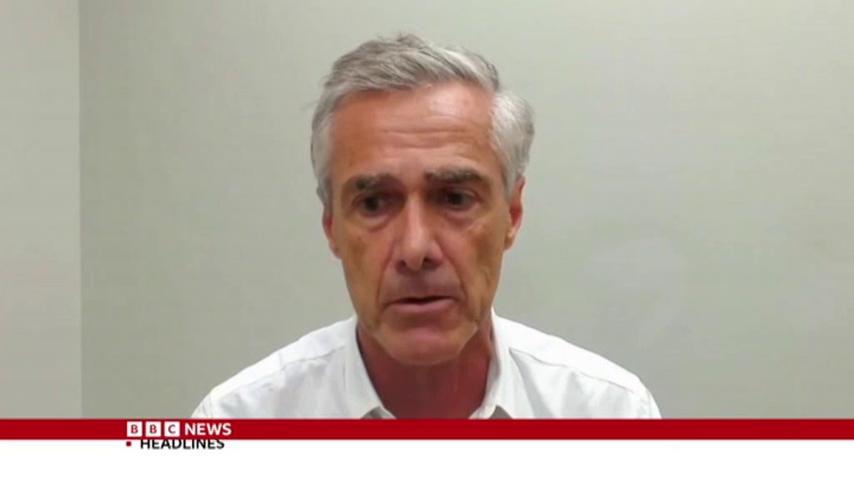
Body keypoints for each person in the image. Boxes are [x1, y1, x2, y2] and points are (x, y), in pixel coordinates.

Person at [193, 34, 660, 418]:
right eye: (374, 203)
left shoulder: (610, 415)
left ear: (512, 214)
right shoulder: (239, 423)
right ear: (331, 226)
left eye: (455, 199)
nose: (415, 249)